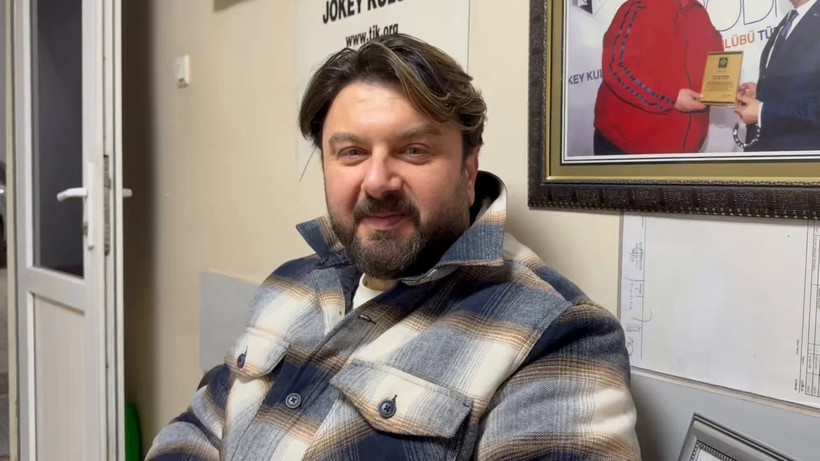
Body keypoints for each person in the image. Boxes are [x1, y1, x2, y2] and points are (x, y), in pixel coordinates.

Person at [146, 34, 640, 460]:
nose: (378, 181)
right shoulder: (291, 283)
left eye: (413, 150)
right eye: (352, 152)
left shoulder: (555, 337)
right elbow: (202, 425)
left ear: (468, 171)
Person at [594, 0, 723, 155]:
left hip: (686, 153)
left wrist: (726, 88)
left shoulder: (699, 13)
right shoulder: (639, 7)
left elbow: (715, 63)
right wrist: (672, 98)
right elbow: (617, 67)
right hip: (628, 150)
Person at [734, 0, 820, 152]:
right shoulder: (792, 18)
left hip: (802, 156)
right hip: (770, 153)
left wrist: (763, 113)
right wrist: (762, 91)